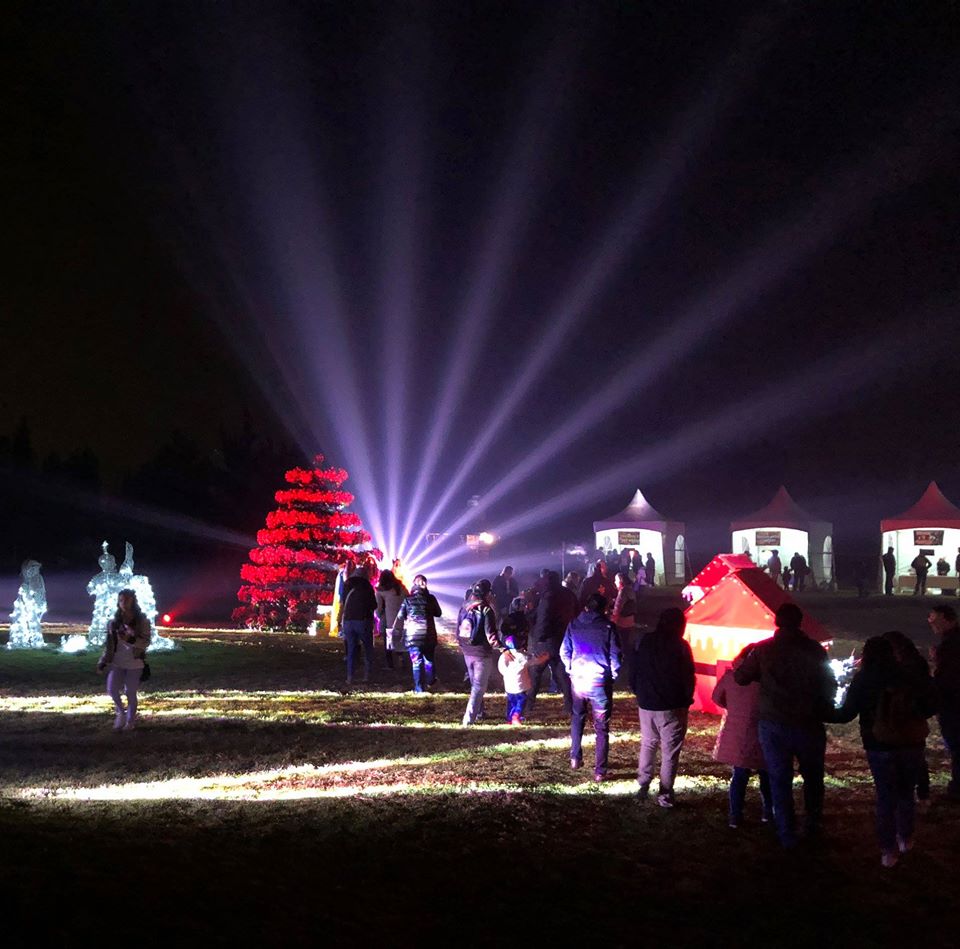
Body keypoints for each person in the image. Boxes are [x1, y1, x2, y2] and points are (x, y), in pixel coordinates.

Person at [734, 603, 835, 848]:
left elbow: (741, 677)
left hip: (774, 723)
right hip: (808, 721)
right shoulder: (815, 650)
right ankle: (812, 824)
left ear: (777, 622)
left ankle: (786, 832)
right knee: (813, 777)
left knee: (779, 778)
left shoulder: (763, 650)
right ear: (800, 622)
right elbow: (828, 683)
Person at [831, 636, 936, 867]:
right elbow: (929, 705)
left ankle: (888, 851)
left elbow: (847, 713)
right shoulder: (908, 675)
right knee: (906, 792)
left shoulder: (864, 679)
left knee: (886, 796)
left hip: (878, 743)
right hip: (910, 742)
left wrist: (821, 711)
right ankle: (905, 839)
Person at [632, 608, 695, 807]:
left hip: (647, 703)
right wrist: (686, 699)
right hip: (672, 706)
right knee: (670, 752)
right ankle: (665, 793)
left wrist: (639, 692)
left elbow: (634, 668)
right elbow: (688, 675)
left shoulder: (645, 641)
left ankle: (643, 783)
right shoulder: (681, 646)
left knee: (648, 743)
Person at [561, 594, 621, 780]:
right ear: (603, 609)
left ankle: (575, 757)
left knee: (577, 717)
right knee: (601, 727)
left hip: (578, 680)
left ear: (586, 607)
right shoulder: (608, 627)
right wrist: (613, 674)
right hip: (599, 682)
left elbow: (564, 651)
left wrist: (570, 669)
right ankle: (600, 771)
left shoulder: (573, 624)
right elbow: (615, 655)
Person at [712, 649, 773, 828]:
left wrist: (733, 707)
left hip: (738, 733)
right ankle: (768, 813)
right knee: (766, 774)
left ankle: (735, 816)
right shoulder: (768, 681)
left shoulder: (731, 676)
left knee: (739, 774)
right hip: (762, 732)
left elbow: (716, 697)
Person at [884, 630, 933, 802]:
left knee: (912, 754)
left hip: (908, 715)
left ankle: (917, 792)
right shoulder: (915, 663)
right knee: (916, 753)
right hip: (913, 717)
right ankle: (921, 791)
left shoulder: (905, 667)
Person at [96, 589, 151, 731]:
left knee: (130, 692)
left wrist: (131, 639)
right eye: (121, 600)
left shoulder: (142, 621)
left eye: (127, 600)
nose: (124, 603)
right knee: (112, 689)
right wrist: (103, 661)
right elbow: (109, 645)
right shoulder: (113, 623)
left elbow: (145, 642)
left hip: (134, 662)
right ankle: (121, 712)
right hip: (117, 662)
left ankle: (130, 721)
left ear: (133, 601)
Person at [526, 570, 575, 717]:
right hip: (564, 638)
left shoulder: (548, 596)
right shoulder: (569, 594)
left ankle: (528, 706)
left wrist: (539, 638)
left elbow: (543, 618)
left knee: (535, 674)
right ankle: (569, 706)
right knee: (562, 674)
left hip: (547, 640)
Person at [457, 580, 500, 725]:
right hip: (481, 653)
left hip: (467, 651)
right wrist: (503, 648)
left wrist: (463, 646)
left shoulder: (464, 607)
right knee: (479, 687)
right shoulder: (486, 610)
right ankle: (468, 720)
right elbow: (491, 635)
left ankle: (479, 713)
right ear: (488, 593)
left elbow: (458, 629)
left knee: (474, 684)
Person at [928, 604, 960, 798]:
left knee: (957, 745)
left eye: (934, 619)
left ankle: (957, 788)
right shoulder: (948, 643)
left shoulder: (951, 645)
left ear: (948, 620)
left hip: (953, 704)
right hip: (951, 703)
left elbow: (948, 678)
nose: (931, 622)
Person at [393, 574, 442, 693]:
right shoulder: (431, 598)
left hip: (413, 636)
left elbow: (400, 615)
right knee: (429, 660)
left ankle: (419, 688)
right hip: (428, 635)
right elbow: (438, 613)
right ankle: (430, 682)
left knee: (416, 662)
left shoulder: (408, 599)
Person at [338, 564, 378, 685]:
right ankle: (367, 675)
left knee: (351, 649)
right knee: (367, 648)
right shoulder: (367, 587)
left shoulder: (347, 585)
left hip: (348, 621)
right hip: (363, 620)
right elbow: (373, 605)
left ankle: (350, 676)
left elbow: (342, 601)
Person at [498, 613, 533, 725]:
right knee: (522, 699)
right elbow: (531, 661)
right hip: (520, 685)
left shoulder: (504, 657)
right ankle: (516, 716)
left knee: (510, 701)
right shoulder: (521, 656)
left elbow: (501, 668)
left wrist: (506, 674)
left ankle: (509, 718)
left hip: (509, 684)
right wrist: (543, 657)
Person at [610, 570, 639, 688]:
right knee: (628, 644)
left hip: (622, 622)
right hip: (630, 621)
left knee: (620, 645)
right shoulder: (630, 590)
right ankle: (630, 664)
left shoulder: (622, 592)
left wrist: (612, 619)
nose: (614, 582)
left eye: (616, 580)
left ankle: (622, 669)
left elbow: (618, 608)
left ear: (620, 581)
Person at [375, 570, 408, 670]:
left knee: (388, 641)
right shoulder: (401, 588)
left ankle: (390, 664)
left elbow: (378, 607)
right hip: (401, 618)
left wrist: (379, 616)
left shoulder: (381, 591)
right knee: (399, 639)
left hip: (387, 619)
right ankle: (401, 658)